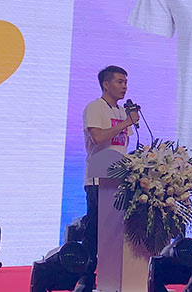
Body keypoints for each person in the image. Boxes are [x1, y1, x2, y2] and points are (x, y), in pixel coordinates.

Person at [76, 65, 139, 292]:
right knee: (94, 232)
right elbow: (98, 137)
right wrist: (126, 123)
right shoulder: (95, 107)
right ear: (106, 84)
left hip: (119, 181)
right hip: (98, 180)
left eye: (126, 82)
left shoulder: (123, 111)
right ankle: (85, 279)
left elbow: (121, 146)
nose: (124, 86)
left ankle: (114, 278)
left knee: (117, 235)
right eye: (120, 82)